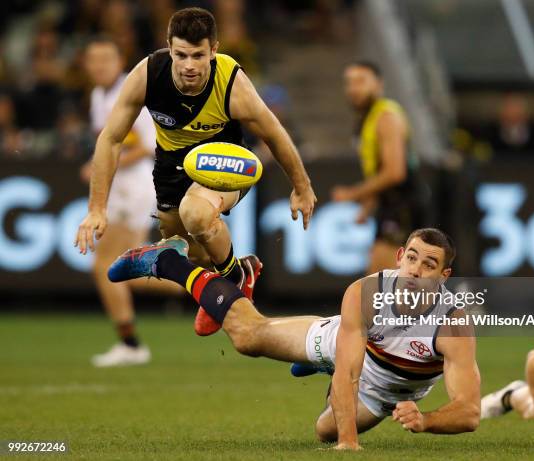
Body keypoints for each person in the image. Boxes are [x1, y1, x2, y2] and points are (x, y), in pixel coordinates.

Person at [107, 227, 481, 449]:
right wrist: (349, 444)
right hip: (346, 349)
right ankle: (169, 261)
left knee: (323, 430)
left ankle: (318, 368)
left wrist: (426, 420)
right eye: (412, 258)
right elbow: (348, 371)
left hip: (387, 394)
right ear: (399, 257)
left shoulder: (452, 325)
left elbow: (469, 410)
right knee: (247, 338)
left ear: (443, 276)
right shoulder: (365, 293)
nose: (415, 270)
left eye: (428, 265)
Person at [74, 7, 317, 336]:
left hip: (223, 162)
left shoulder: (232, 82)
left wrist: (301, 187)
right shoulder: (148, 74)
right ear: (169, 47)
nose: (189, 65)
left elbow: (273, 134)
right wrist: (96, 208)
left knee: (197, 214)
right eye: (182, 55)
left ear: (214, 49)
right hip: (170, 168)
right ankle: (229, 272)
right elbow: (111, 139)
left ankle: (233, 281)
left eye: (199, 55)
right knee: (193, 254)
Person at [81, 37, 184, 367]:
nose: (99, 66)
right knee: (123, 271)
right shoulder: (99, 95)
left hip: (136, 187)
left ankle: (130, 344)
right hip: (121, 187)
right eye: (93, 60)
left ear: (119, 61)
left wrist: (103, 165)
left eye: (105, 60)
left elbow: (149, 146)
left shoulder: (133, 91)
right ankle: (197, 281)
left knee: (104, 267)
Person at [332, 61, 427, 275]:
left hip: (403, 206)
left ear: (379, 84)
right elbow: (378, 170)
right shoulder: (367, 120)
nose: (354, 88)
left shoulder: (386, 117)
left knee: (380, 283)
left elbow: (395, 172)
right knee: (389, 283)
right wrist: (367, 206)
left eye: (361, 81)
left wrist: (353, 193)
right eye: (349, 83)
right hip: (391, 206)